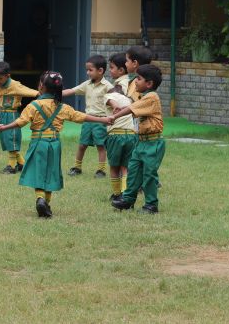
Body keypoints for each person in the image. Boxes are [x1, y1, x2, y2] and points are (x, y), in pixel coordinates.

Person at [0, 71, 108, 219]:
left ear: (41, 86)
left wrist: (4, 127)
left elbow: (20, 122)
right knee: (51, 173)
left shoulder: (34, 105)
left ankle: (40, 198)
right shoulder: (62, 107)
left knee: (38, 172)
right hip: (54, 144)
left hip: (38, 143)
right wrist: (103, 120)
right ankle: (46, 203)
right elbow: (80, 116)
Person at [111, 64, 166, 213]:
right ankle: (128, 200)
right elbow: (132, 106)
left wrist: (114, 116)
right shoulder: (143, 97)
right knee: (134, 171)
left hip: (153, 143)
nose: (135, 81)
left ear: (149, 83)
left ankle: (151, 204)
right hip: (140, 141)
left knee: (149, 175)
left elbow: (131, 109)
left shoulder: (152, 97)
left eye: (139, 78)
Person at [63, 55, 113, 178]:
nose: (87, 72)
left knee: (101, 146)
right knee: (82, 145)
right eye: (87, 70)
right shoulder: (87, 84)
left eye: (90, 70)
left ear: (100, 71)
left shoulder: (108, 87)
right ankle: (77, 167)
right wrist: (55, 93)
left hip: (101, 121)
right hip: (87, 120)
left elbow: (114, 101)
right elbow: (72, 90)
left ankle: (101, 170)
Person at [103, 88, 137, 200]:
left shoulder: (109, 95)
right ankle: (125, 193)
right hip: (131, 136)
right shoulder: (128, 100)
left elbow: (111, 101)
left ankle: (117, 194)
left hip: (116, 136)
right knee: (125, 167)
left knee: (114, 167)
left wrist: (115, 106)